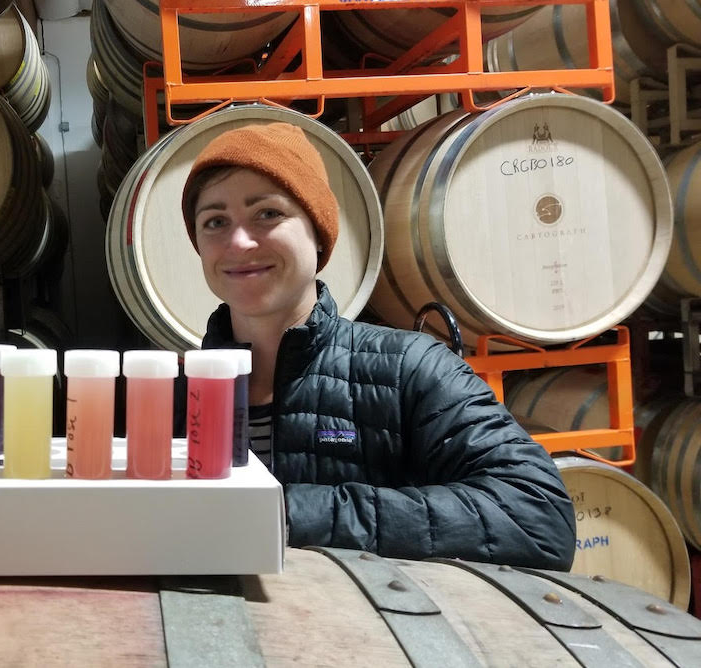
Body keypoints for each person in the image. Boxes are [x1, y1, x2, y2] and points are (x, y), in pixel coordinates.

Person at [180, 122, 576, 570]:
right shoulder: (173, 393)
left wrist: (288, 512)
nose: (239, 242)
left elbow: (539, 518)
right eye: (215, 222)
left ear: (319, 230)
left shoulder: (411, 369)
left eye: (268, 213)